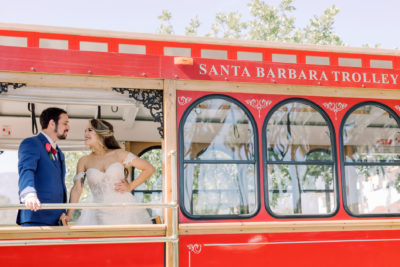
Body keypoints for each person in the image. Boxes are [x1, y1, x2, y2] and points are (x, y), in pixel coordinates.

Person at [64, 119, 155, 225]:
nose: (85, 134)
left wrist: (130, 186)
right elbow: (77, 189)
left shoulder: (119, 154)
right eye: (85, 131)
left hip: (125, 210)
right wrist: (69, 214)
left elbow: (149, 168)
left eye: (90, 130)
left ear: (101, 132)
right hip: (97, 213)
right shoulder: (84, 160)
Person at [17, 107, 70, 226]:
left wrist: (63, 210)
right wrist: (28, 194)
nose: (68, 127)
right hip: (36, 216)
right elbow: (26, 169)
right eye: (65, 123)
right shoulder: (31, 143)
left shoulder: (59, 152)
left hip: (57, 219)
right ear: (52, 123)